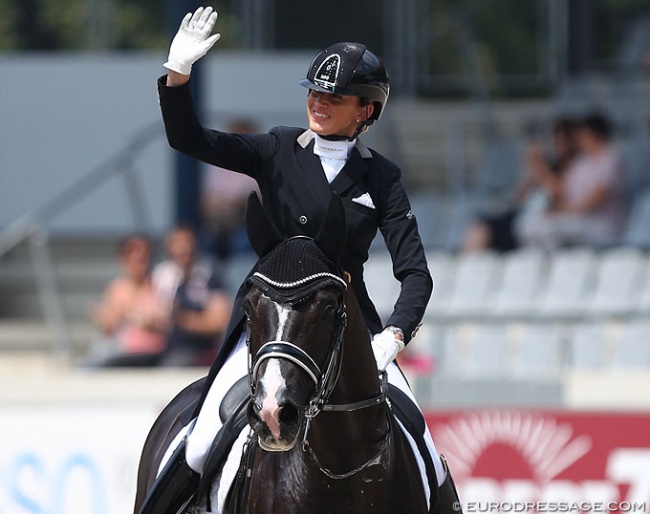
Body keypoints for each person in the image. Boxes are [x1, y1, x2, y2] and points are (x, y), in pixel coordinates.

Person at [142, 6, 460, 513]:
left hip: (349, 329)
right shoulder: (277, 149)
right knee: (201, 442)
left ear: (365, 110)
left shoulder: (382, 178)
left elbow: (415, 273)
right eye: (314, 91)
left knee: (425, 450)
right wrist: (177, 75)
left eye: (333, 97)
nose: (318, 102)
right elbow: (190, 139)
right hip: (269, 323)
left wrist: (393, 337)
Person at [462, 116, 579, 252]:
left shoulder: (573, 167)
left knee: (483, 232)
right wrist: (531, 173)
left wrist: (540, 168)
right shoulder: (548, 165)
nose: (555, 143)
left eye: (560, 139)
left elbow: (561, 195)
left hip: (536, 223)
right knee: (478, 227)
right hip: (522, 217)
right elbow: (517, 198)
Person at [515, 112, 627, 250]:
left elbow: (596, 199)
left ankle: (557, 266)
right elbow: (563, 193)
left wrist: (566, 212)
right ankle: (541, 267)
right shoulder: (582, 162)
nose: (578, 139)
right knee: (527, 226)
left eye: (582, 134)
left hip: (603, 224)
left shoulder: (611, 158)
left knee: (548, 229)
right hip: (577, 218)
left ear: (594, 135)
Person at [84, 234, 168, 367]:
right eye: (134, 259)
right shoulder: (117, 288)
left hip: (149, 351)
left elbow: (165, 322)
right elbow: (109, 328)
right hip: (124, 349)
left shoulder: (158, 284)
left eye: (143, 258)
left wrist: (145, 320)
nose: (140, 263)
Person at [152, 225, 231, 366]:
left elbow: (219, 321)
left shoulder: (209, 274)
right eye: (178, 244)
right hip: (166, 348)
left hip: (201, 350)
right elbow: (157, 317)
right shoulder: (163, 275)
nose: (184, 249)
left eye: (187, 243)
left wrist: (184, 320)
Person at [199, 118, 259, 260]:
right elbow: (206, 200)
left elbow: (259, 199)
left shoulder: (258, 167)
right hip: (218, 221)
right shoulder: (219, 168)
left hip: (243, 223)